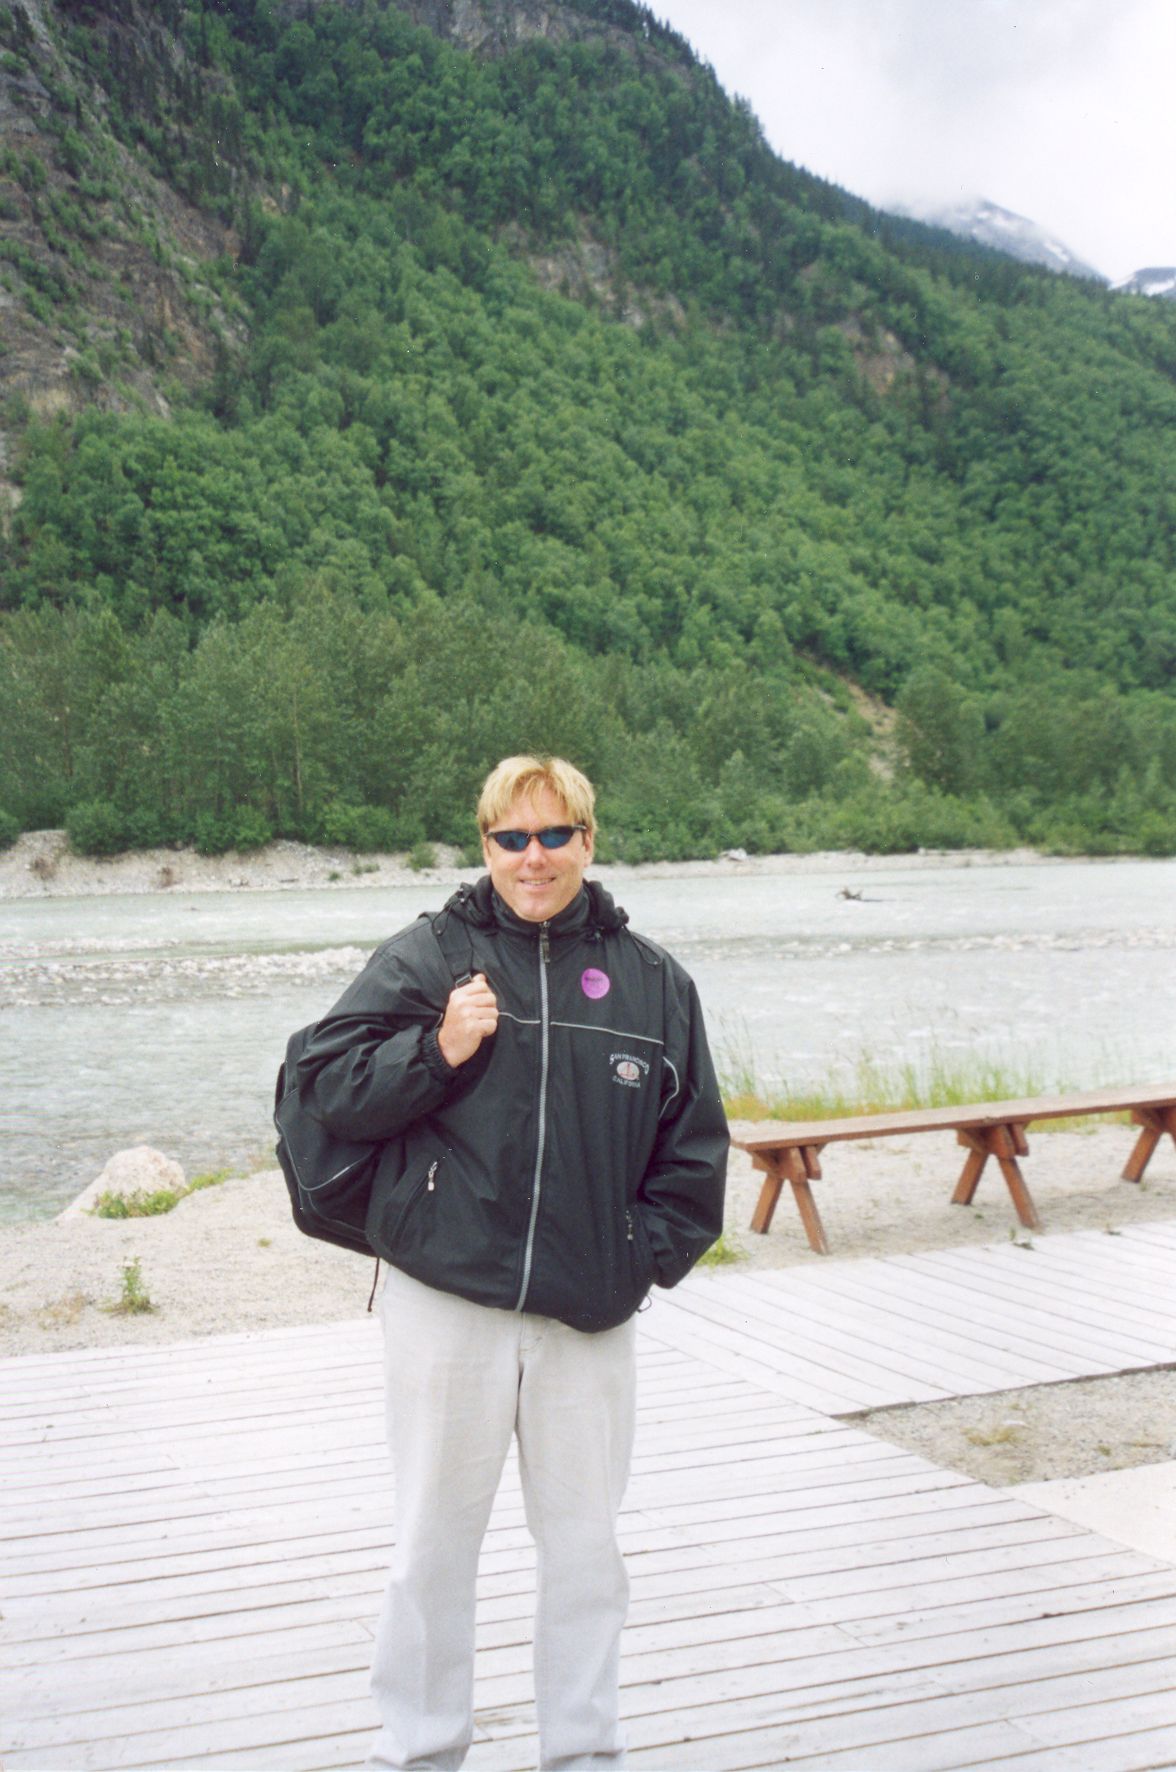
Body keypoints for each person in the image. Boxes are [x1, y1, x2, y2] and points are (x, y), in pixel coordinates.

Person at [295, 755, 728, 1771]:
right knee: (430, 1549)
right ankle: (419, 1749)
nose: (534, 858)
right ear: (485, 844)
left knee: (587, 1553)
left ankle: (583, 1751)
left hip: (589, 1315)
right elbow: (325, 1086)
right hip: (447, 1303)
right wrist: (437, 1049)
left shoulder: (654, 981)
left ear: (589, 839)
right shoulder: (428, 955)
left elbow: (695, 1150)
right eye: (512, 838)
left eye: (555, 834)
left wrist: (635, 1257)